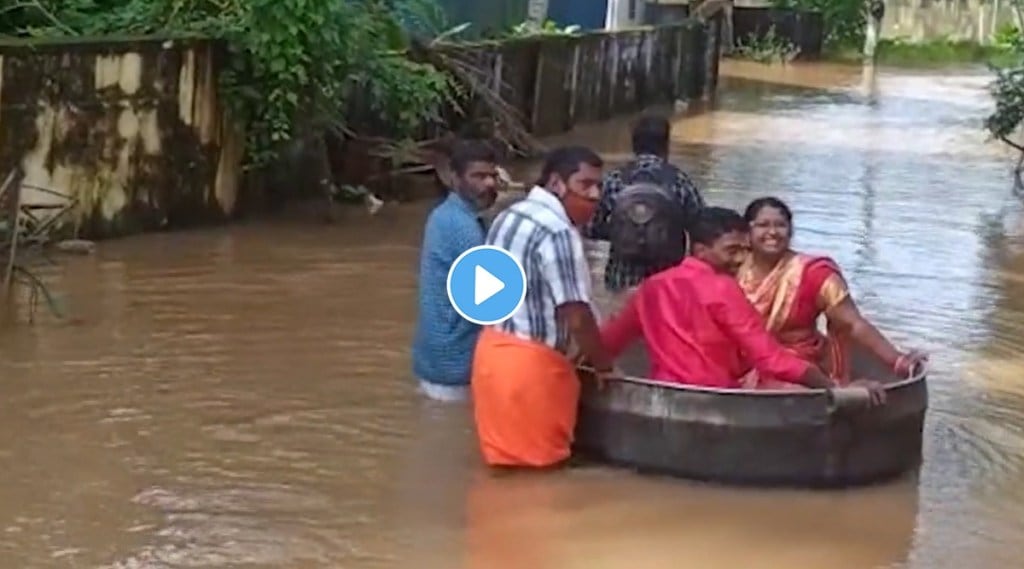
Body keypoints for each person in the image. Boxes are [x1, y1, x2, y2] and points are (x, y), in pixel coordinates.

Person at [598, 207, 887, 403]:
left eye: (744, 250)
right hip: (717, 404)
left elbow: (605, 343)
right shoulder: (722, 288)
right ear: (700, 250)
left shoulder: (650, 287)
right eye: (731, 251)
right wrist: (835, 389)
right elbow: (771, 358)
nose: (740, 260)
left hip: (663, 398)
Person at [471, 145, 615, 469]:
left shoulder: (509, 215)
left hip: (491, 357)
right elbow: (576, 314)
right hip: (530, 371)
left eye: (599, 186)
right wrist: (603, 364)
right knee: (538, 478)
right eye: (585, 184)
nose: (594, 195)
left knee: (503, 469)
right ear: (556, 184)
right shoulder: (558, 231)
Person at [736, 197, 926, 388]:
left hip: (798, 366)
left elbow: (852, 324)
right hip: (739, 361)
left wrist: (897, 360)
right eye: (762, 225)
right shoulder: (731, 268)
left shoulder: (814, 273)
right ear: (747, 233)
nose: (772, 232)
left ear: (791, 231)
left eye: (780, 225)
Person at [411, 139, 500, 402]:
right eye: (479, 176)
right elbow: (492, 304)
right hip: (457, 363)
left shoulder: (444, 214)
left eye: (493, 176)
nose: (489, 184)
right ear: (454, 178)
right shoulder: (464, 228)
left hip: (434, 357)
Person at [584, 114, 705, 292]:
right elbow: (701, 228)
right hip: (666, 278)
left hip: (622, 277)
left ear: (634, 145)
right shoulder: (679, 181)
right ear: (666, 145)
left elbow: (592, 228)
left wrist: (625, 233)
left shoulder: (614, 180)